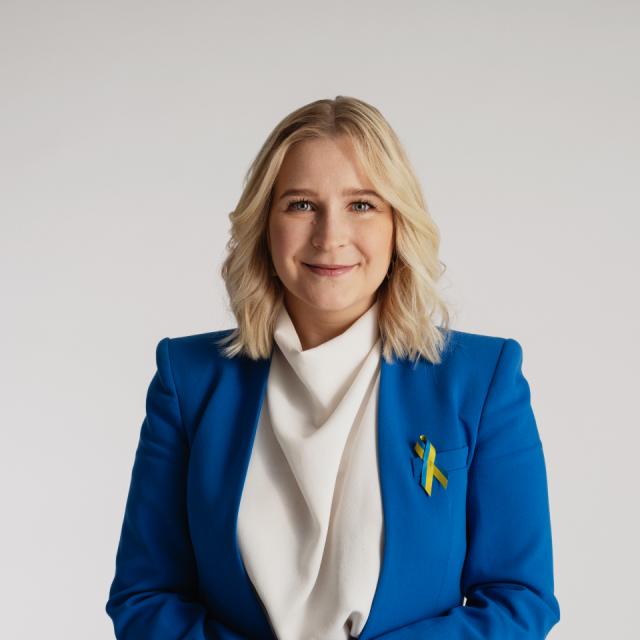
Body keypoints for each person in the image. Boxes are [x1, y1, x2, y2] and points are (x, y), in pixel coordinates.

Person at [105, 96, 561, 639]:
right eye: (301, 204)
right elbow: (145, 597)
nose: (329, 236)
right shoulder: (188, 379)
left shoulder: (482, 381)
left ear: (398, 223)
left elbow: (518, 600)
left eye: (362, 205)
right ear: (264, 223)